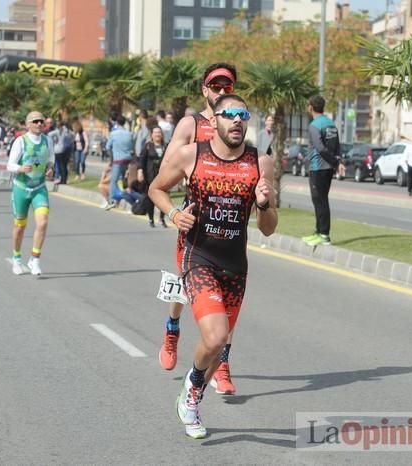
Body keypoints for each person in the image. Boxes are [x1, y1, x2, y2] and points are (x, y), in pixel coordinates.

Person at [149, 93, 277, 439]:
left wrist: (264, 204)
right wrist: (174, 214)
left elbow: (268, 227)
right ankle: (192, 386)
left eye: (243, 115)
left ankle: (191, 397)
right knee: (216, 334)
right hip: (198, 255)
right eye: (230, 114)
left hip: (235, 265)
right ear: (215, 120)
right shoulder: (192, 155)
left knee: (217, 347)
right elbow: (156, 188)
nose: (238, 120)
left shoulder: (260, 163)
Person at [156, 63, 241, 396]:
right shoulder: (190, 125)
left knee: (228, 299)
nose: (221, 91)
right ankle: (172, 329)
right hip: (195, 225)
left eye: (227, 86)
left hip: (230, 228)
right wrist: (176, 213)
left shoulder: (236, 121)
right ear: (205, 89)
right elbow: (165, 172)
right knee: (183, 284)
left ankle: (223, 366)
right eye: (215, 86)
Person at [6, 111, 55, 276]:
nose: (39, 124)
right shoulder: (21, 141)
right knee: (20, 226)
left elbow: (51, 160)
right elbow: (9, 164)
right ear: (28, 125)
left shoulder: (47, 141)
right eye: (35, 121)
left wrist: (49, 170)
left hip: (39, 188)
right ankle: (17, 258)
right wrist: (19, 168)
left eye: (41, 121)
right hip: (21, 188)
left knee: (42, 223)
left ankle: (34, 260)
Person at [302, 95, 341, 247]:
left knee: (320, 201)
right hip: (328, 169)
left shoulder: (314, 125)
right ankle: (319, 232)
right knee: (321, 200)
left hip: (318, 168)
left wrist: (335, 161)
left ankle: (324, 234)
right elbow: (337, 146)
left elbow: (320, 147)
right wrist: (337, 162)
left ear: (311, 107)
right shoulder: (331, 124)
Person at [138, 126, 167, 228]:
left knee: (164, 198)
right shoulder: (147, 146)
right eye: (155, 133)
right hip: (150, 176)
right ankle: (151, 219)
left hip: (163, 176)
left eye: (159, 132)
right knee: (151, 198)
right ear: (152, 135)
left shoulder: (165, 146)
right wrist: (140, 171)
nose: (157, 134)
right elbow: (141, 159)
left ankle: (162, 219)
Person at [103, 115, 134, 210]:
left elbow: (108, 147)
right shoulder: (129, 134)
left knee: (114, 180)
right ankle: (129, 199)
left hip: (118, 160)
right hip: (128, 159)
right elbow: (132, 146)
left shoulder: (113, 134)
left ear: (117, 123)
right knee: (126, 181)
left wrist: (111, 157)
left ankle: (112, 200)